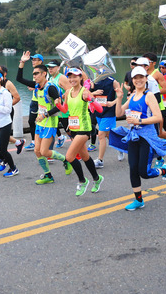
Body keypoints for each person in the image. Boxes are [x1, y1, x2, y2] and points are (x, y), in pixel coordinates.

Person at [113, 66, 166, 211]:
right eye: (136, 78)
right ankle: (138, 200)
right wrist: (120, 98)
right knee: (133, 169)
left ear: (146, 79)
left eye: (141, 77)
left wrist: (139, 122)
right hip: (134, 137)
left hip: (146, 137)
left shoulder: (149, 96)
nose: (138, 80)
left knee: (144, 172)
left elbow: (158, 117)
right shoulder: (132, 96)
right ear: (132, 80)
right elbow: (119, 113)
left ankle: (164, 171)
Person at [16, 52, 73, 185]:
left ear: (44, 74)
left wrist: (45, 114)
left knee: (44, 151)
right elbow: (19, 79)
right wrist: (22, 62)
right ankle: (48, 175)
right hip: (40, 122)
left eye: (37, 74)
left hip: (50, 123)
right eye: (33, 74)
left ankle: (65, 160)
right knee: (37, 150)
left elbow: (59, 107)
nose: (34, 76)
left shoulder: (51, 88)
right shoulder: (37, 86)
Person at [62, 68, 104, 196]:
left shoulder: (84, 92)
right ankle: (97, 179)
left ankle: (82, 181)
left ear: (81, 78)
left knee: (69, 157)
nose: (72, 79)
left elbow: (100, 109)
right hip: (74, 129)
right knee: (85, 157)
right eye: (69, 77)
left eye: (75, 77)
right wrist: (58, 104)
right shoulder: (68, 92)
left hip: (84, 129)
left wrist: (90, 99)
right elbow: (65, 110)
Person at [91, 74, 120, 168]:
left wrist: (113, 103)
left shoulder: (113, 81)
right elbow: (85, 94)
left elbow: (120, 95)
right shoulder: (93, 81)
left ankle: (100, 160)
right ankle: (120, 147)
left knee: (101, 134)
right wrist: (93, 92)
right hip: (98, 111)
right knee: (108, 135)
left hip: (109, 112)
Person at [46, 60, 71, 148]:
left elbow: (70, 90)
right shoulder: (50, 78)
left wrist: (62, 96)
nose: (50, 69)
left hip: (64, 109)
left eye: (52, 67)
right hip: (55, 108)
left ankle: (77, 146)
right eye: (49, 67)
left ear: (58, 68)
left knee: (68, 130)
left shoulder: (62, 78)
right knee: (53, 127)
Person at [24, 53, 45, 150]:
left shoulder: (44, 72)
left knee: (44, 121)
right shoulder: (34, 71)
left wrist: (36, 87)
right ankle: (34, 141)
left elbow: (45, 84)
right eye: (32, 60)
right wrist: (33, 87)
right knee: (31, 121)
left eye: (35, 60)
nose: (33, 61)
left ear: (40, 61)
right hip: (34, 100)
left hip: (42, 101)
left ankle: (57, 138)